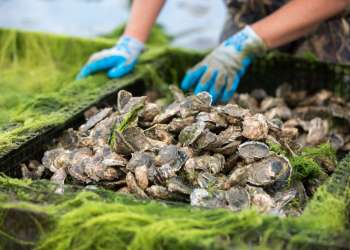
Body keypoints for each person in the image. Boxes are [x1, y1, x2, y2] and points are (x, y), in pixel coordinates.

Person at [77, 0, 350, 103]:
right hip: (251, 7)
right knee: (231, 98)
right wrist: (132, 39)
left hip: (332, 20)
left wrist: (250, 40)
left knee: (327, 101)